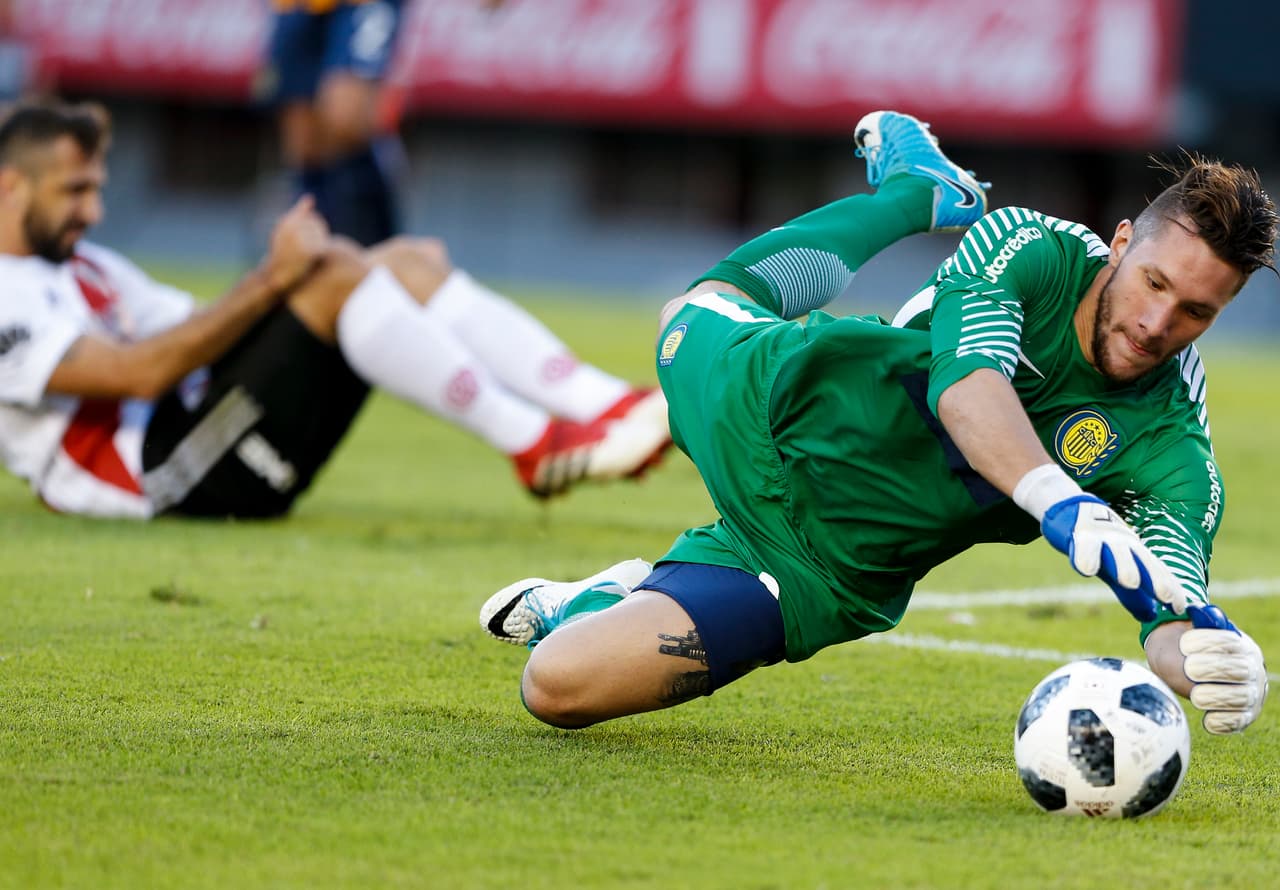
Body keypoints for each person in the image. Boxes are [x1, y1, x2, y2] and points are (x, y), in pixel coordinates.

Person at [480, 110, 1271, 737]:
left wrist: (1205, 657)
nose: (1155, 322)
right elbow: (970, 394)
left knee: (555, 688)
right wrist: (1061, 502)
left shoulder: (1174, 448)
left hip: (820, 572)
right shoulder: (1031, 244)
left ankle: (598, 599)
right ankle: (914, 192)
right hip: (781, 402)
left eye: (1195, 310)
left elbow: (1169, 606)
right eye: (1154, 282)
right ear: (1122, 245)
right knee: (686, 316)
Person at [0, 99, 670, 518]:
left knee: (404, 262)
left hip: (211, 426)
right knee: (339, 277)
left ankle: (606, 405)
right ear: (10, 186)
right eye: (74, 191)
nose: (93, 211)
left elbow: (195, 326)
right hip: (162, 476)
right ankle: (534, 443)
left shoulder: (85, 264)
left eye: (96, 189)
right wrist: (276, 278)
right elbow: (136, 376)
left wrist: (314, 278)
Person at [257, 0, 408, 245]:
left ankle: (378, 253)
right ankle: (319, 256)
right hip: (297, 6)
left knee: (346, 117)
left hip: (362, 5)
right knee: (304, 144)